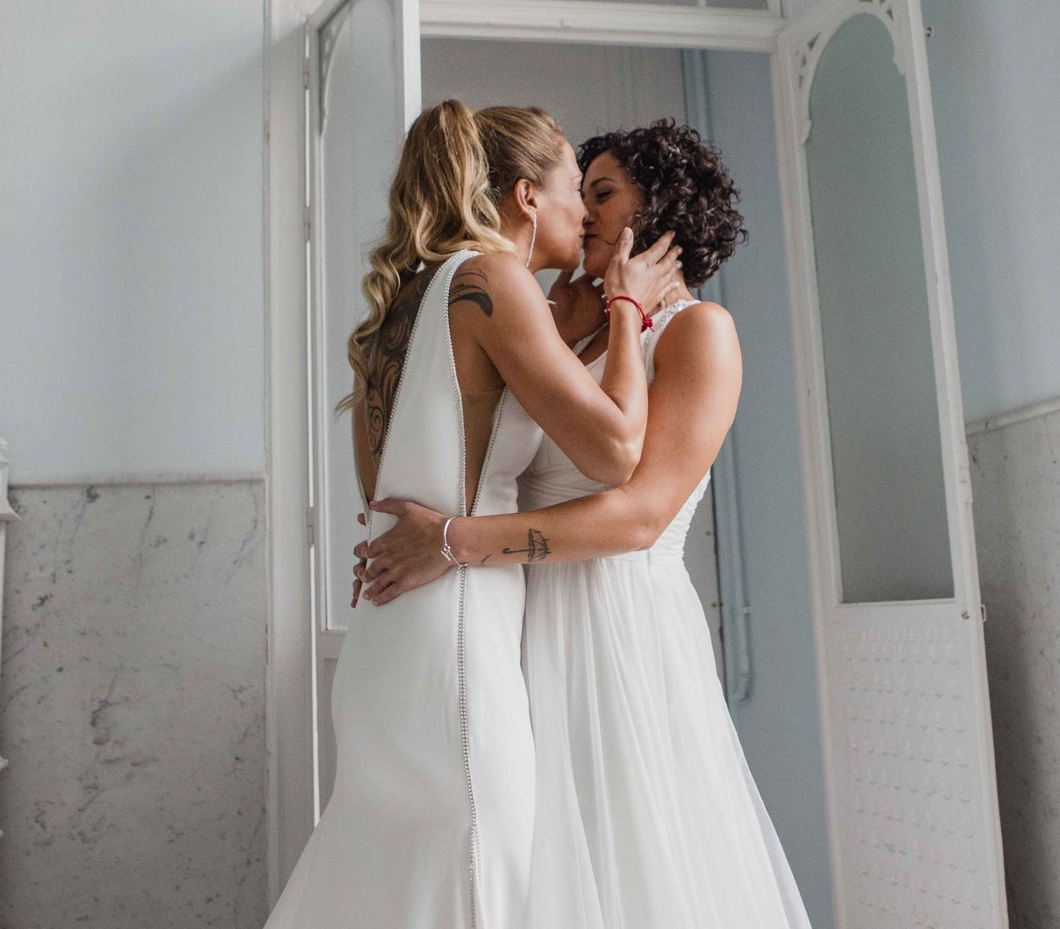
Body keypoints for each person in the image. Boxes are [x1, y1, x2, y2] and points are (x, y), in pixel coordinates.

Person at [357, 119, 812, 929]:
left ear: (662, 206)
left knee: (626, 867)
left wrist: (453, 543)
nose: (588, 210)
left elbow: (637, 515)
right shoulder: (570, 323)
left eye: (604, 193)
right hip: (522, 626)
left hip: (618, 631)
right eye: (583, 191)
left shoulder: (699, 333)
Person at [264, 101, 680, 929]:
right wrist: (629, 312)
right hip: (456, 636)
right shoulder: (494, 279)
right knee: (483, 877)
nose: (584, 212)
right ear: (527, 196)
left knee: (387, 879)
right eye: (574, 187)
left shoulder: (406, 303)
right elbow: (616, 451)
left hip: (388, 637)